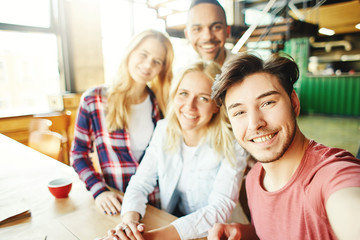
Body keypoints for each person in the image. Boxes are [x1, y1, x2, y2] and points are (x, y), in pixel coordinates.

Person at [208, 52, 360, 240]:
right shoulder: (255, 177)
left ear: (294, 104)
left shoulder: (331, 175)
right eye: (239, 112)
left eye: (267, 103)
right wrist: (244, 233)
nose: (255, 123)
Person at [104, 61, 248, 240]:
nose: (190, 106)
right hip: (172, 227)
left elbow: (219, 210)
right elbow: (140, 183)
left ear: (217, 106)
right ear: (174, 96)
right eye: (183, 94)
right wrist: (129, 223)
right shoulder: (164, 130)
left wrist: (150, 238)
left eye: (203, 98)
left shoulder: (233, 141)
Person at [70, 29, 174, 216]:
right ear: (130, 52)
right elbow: (78, 155)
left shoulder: (162, 105)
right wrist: (99, 191)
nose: (148, 65)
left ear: (162, 69)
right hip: (115, 205)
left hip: (156, 205)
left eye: (157, 61)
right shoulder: (94, 100)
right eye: (143, 54)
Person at [174, 0, 235, 71]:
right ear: (187, 35)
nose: (207, 37)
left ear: (227, 31)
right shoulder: (180, 73)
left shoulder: (247, 70)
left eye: (216, 27)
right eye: (197, 29)